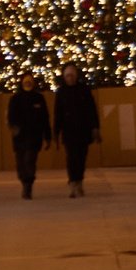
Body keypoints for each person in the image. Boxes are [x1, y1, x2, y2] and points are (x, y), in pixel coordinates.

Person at [53, 61, 101, 198]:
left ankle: (79, 181)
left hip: (84, 131)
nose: (70, 78)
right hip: (69, 132)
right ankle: (73, 183)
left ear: (75, 76)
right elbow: (58, 113)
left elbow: (92, 110)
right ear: (64, 77)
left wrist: (95, 128)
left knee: (81, 158)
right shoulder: (61, 92)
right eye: (67, 76)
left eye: (72, 75)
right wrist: (56, 132)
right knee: (71, 158)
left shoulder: (84, 90)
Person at [7, 74, 51, 198]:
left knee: (29, 161)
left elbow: (45, 119)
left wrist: (47, 137)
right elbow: (11, 117)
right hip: (19, 137)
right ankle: (24, 181)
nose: (28, 84)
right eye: (26, 82)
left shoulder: (39, 98)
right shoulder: (15, 99)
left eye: (30, 82)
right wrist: (13, 127)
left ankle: (28, 186)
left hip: (34, 137)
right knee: (20, 165)